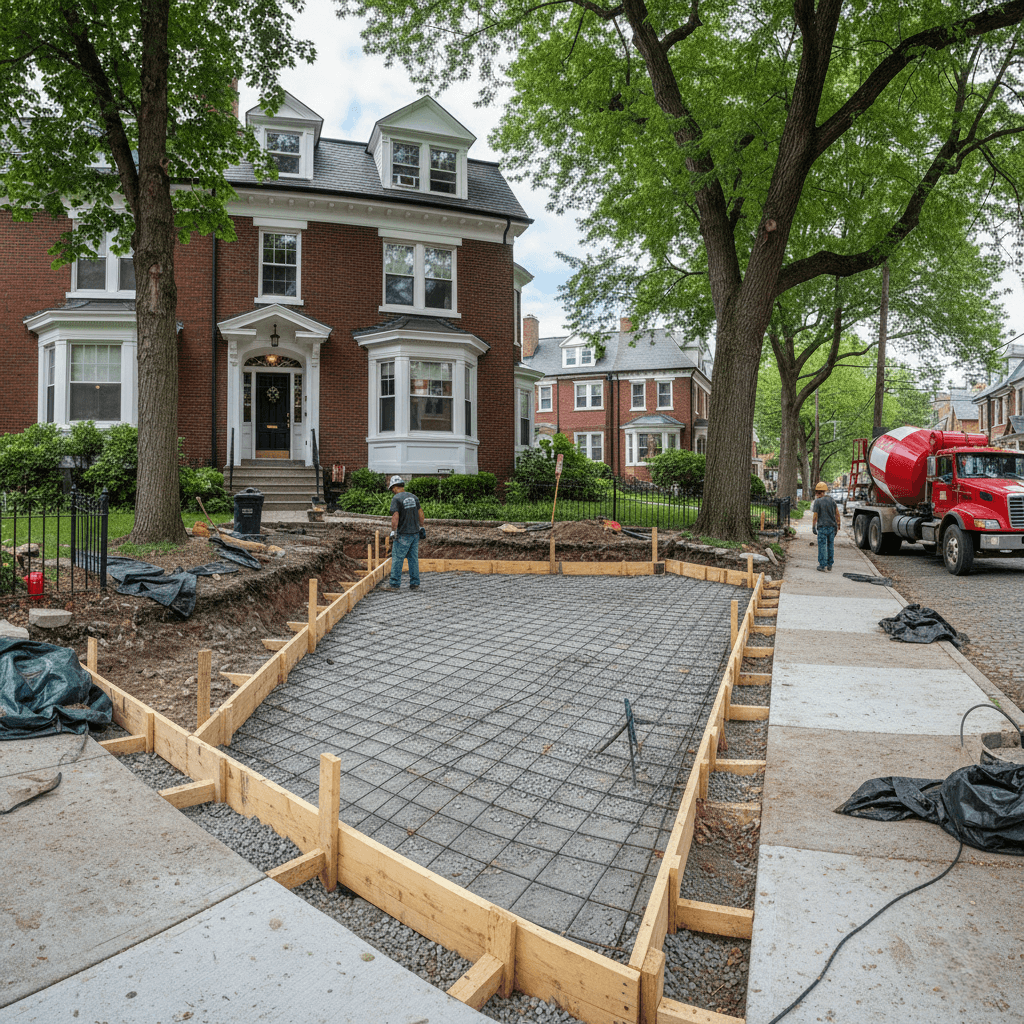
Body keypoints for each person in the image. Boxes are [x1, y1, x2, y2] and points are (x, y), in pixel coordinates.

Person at [384, 475, 426, 591]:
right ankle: (415, 584)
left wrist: (393, 531)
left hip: (403, 534)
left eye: (392, 488)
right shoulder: (413, 497)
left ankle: (394, 585)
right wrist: (421, 527)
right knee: (413, 559)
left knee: (398, 558)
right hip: (415, 534)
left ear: (394, 487)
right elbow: (420, 513)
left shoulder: (396, 499)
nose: (392, 491)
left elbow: (395, 516)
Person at [811, 481, 841, 572]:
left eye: (817, 492)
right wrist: (838, 524)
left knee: (822, 546)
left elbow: (815, 516)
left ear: (819, 493)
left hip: (822, 527)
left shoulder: (817, 502)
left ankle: (822, 565)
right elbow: (837, 514)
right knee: (830, 545)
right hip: (832, 527)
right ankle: (829, 564)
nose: (816, 494)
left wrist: (813, 526)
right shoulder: (832, 500)